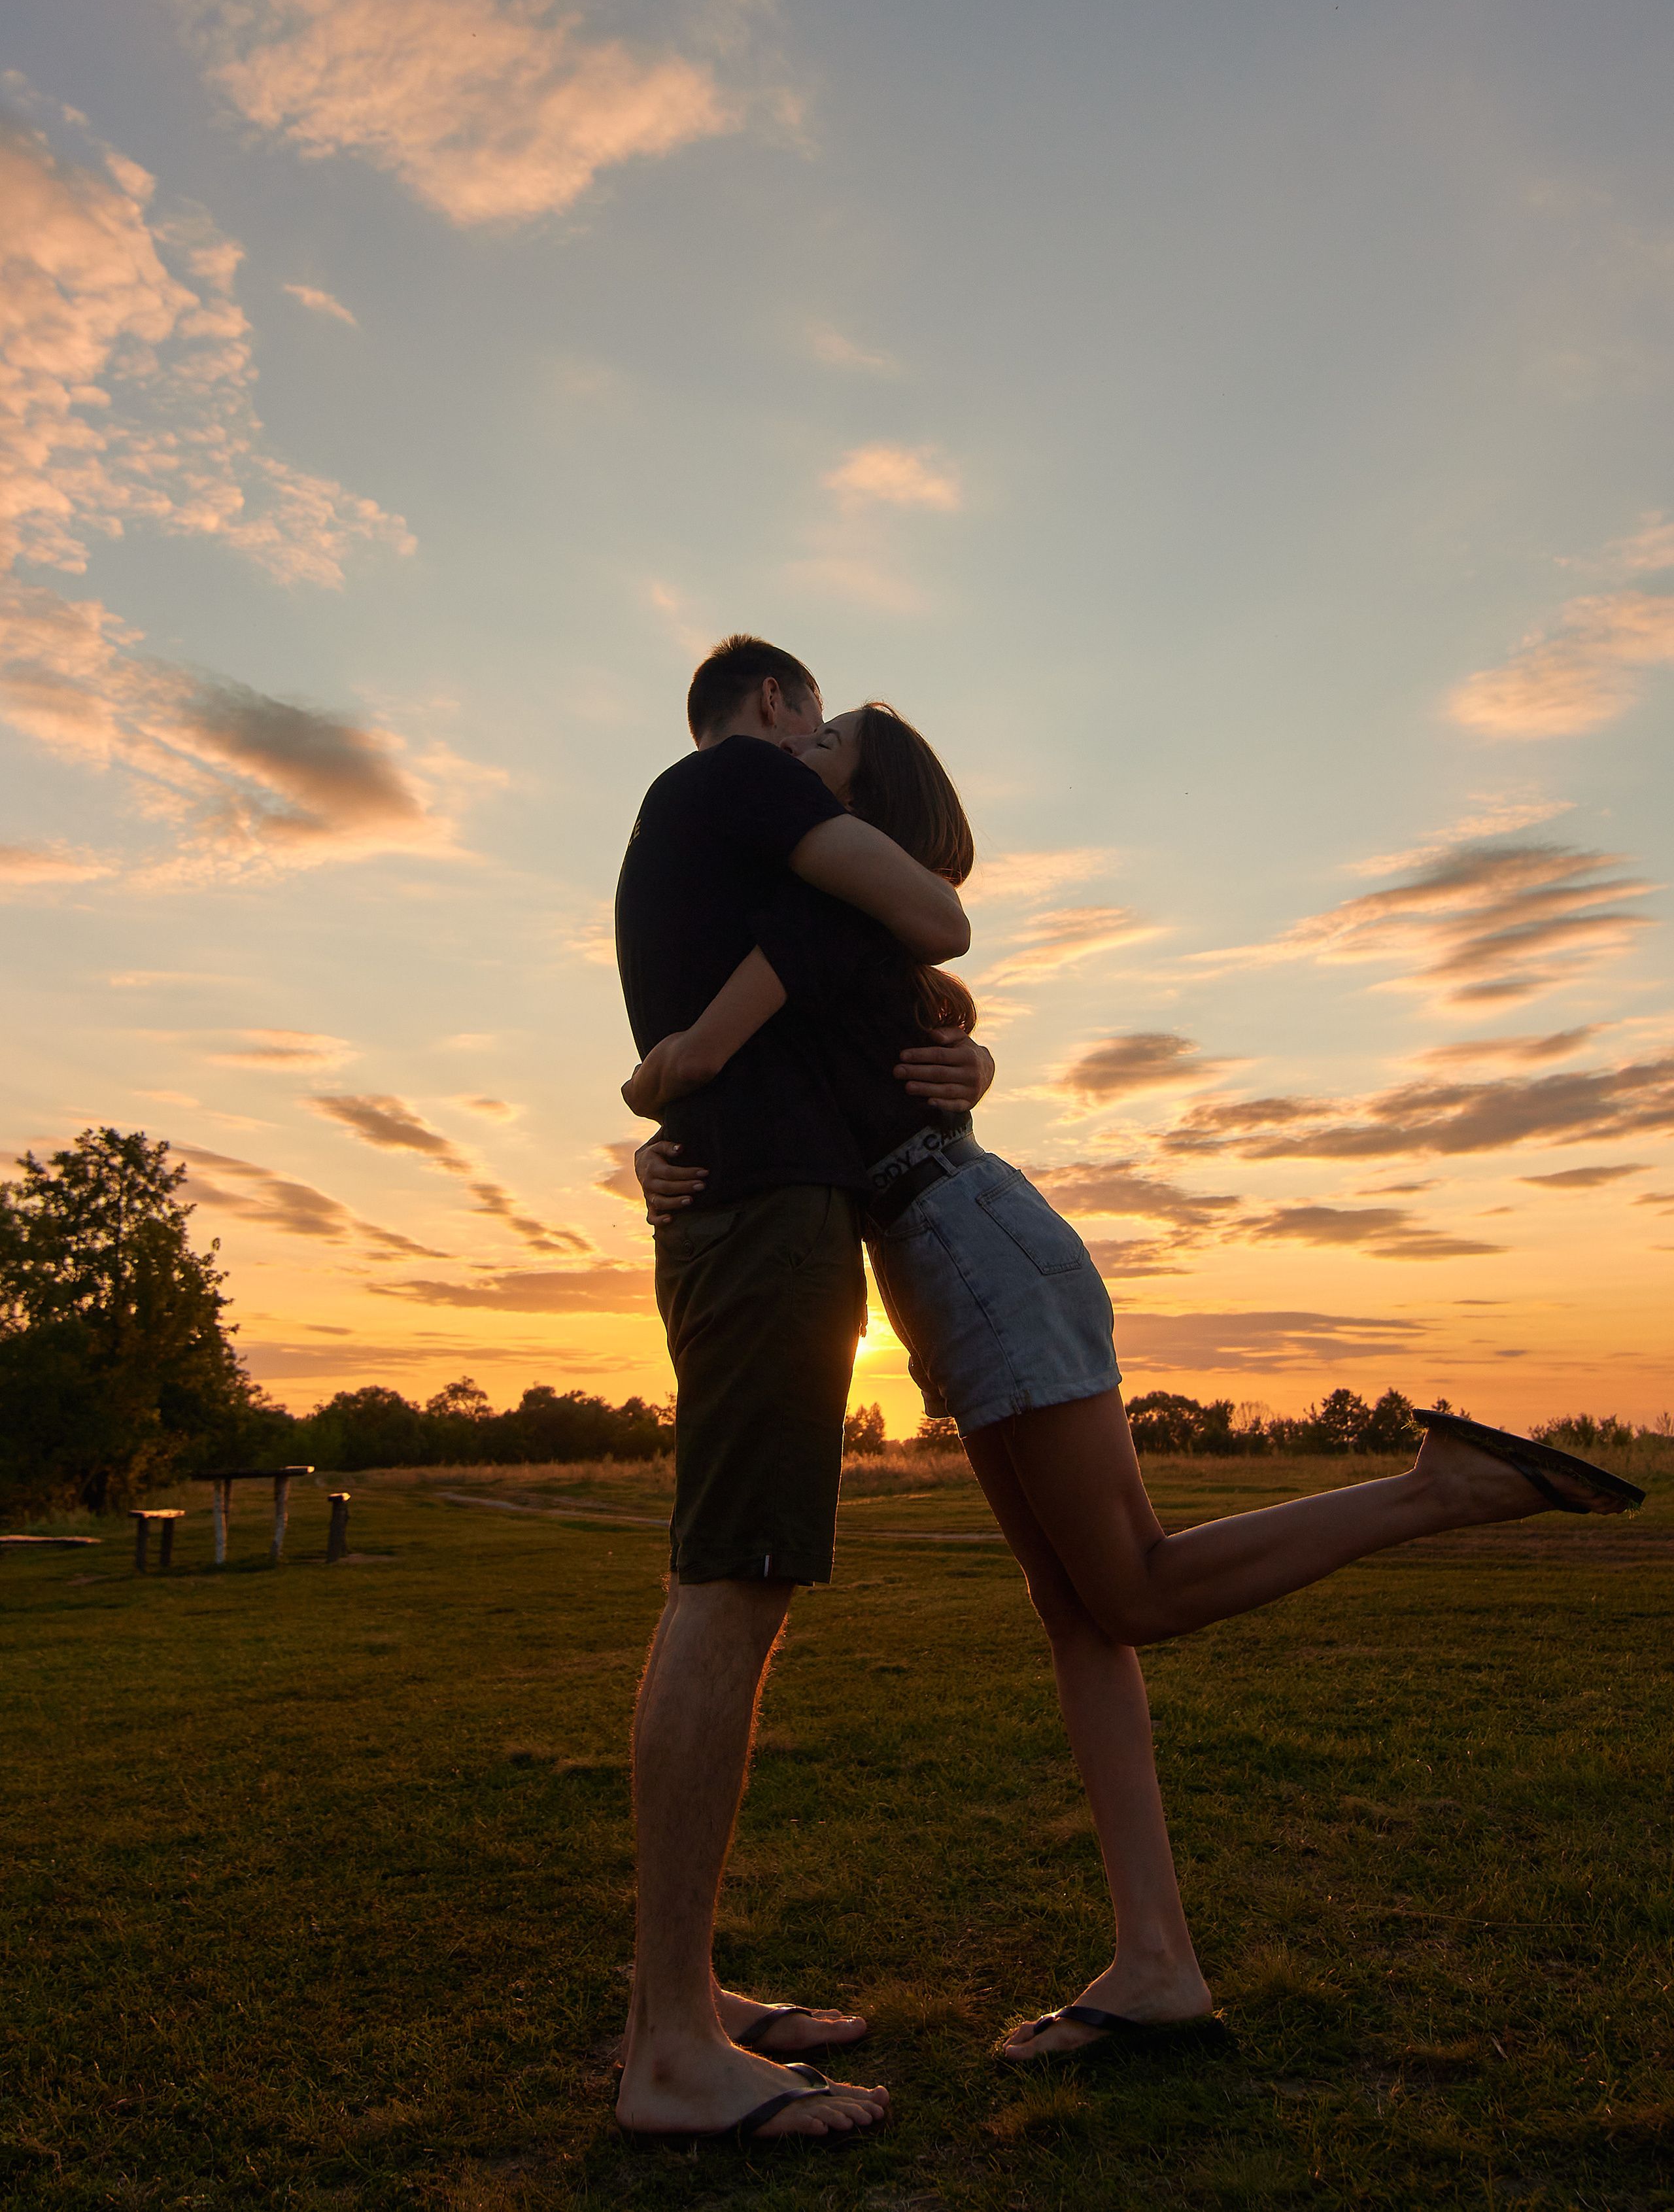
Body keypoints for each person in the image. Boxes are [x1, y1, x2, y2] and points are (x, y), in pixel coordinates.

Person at [626, 700, 1643, 2066]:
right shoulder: (834, 933)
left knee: (1132, 1588)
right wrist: (666, 1139)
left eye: (826, 755)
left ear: (870, 813)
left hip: (972, 1246)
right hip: (954, 1253)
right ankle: (1155, 1960)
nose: (793, 764)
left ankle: (1438, 1488)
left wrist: (666, 1086)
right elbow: (779, 1072)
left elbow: (730, 1043)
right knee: (1079, 1611)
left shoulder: (835, 923)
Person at [611, 639, 993, 2143]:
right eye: (815, 724)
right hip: (761, 1219)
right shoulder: (739, 779)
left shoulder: (747, 873)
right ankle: (668, 2048)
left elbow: (872, 1001)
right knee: (733, 1579)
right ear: (774, 707)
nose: (818, 751)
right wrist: (677, 1086)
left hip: (753, 1206)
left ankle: (688, 1995)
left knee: (729, 1578)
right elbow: (938, 914)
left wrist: (962, 1057)